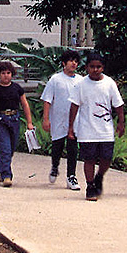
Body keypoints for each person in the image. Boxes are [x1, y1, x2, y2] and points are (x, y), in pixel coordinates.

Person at [66, 52, 126, 201]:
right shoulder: (80, 85)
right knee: (89, 160)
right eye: (92, 67)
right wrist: (70, 127)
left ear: (103, 67)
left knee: (106, 158)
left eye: (98, 67)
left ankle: (99, 177)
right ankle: (90, 185)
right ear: (86, 67)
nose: (95, 70)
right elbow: (74, 106)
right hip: (87, 130)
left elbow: (118, 105)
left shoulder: (109, 83)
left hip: (105, 130)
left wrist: (121, 122)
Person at [0, 60, 33, 187]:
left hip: (14, 119)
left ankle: (0, 168)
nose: (6, 75)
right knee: (4, 147)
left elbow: (25, 104)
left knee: (11, 148)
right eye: (3, 73)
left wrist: (29, 122)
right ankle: (7, 175)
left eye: (8, 73)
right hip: (0, 120)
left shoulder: (17, 88)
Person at [40, 50, 83, 191]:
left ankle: (71, 176)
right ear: (64, 63)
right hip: (58, 119)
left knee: (72, 148)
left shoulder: (81, 80)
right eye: (71, 61)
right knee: (57, 146)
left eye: (76, 61)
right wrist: (46, 119)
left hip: (75, 122)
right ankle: (54, 166)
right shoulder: (55, 80)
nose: (74, 63)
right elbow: (47, 100)